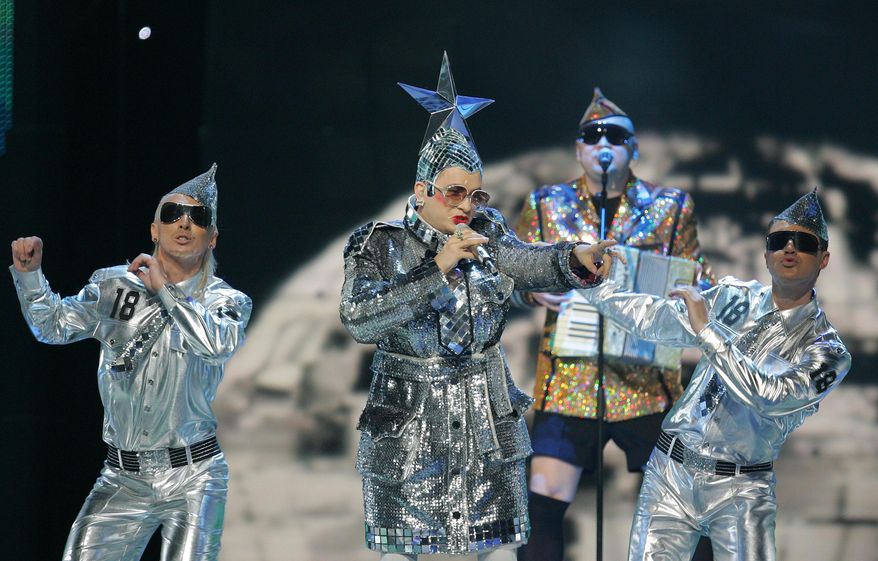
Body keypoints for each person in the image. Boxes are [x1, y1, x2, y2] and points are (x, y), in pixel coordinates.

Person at [339, 53, 617, 560]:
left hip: (485, 424)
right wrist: (437, 268)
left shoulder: (486, 233)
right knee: (406, 552)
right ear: (422, 190)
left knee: (495, 552)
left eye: (475, 194)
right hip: (409, 432)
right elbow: (360, 318)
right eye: (454, 193)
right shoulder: (378, 242)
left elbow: (524, 261)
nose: (466, 205)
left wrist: (573, 258)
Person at [580, 188, 850, 560]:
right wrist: (595, 286)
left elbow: (770, 396)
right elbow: (654, 319)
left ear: (823, 258)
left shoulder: (827, 351)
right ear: (766, 253)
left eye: (803, 243)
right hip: (671, 473)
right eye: (779, 241)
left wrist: (708, 332)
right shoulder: (733, 297)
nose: (789, 248)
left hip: (742, 489)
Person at [10, 164, 252, 561]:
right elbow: (52, 327)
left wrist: (165, 289)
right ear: (155, 230)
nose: (184, 223)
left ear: (212, 238)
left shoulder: (226, 301)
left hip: (194, 476)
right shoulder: (113, 286)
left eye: (197, 218)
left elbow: (215, 345)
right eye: (172, 214)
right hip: (123, 477)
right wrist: (30, 276)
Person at [514, 88, 714, 561]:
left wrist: (688, 290)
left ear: (634, 149)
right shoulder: (546, 203)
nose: (603, 145)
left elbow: (696, 273)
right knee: (541, 503)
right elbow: (514, 271)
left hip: (648, 379)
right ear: (578, 149)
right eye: (592, 137)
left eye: (616, 137)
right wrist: (533, 291)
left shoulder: (670, 206)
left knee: (684, 506)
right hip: (569, 379)